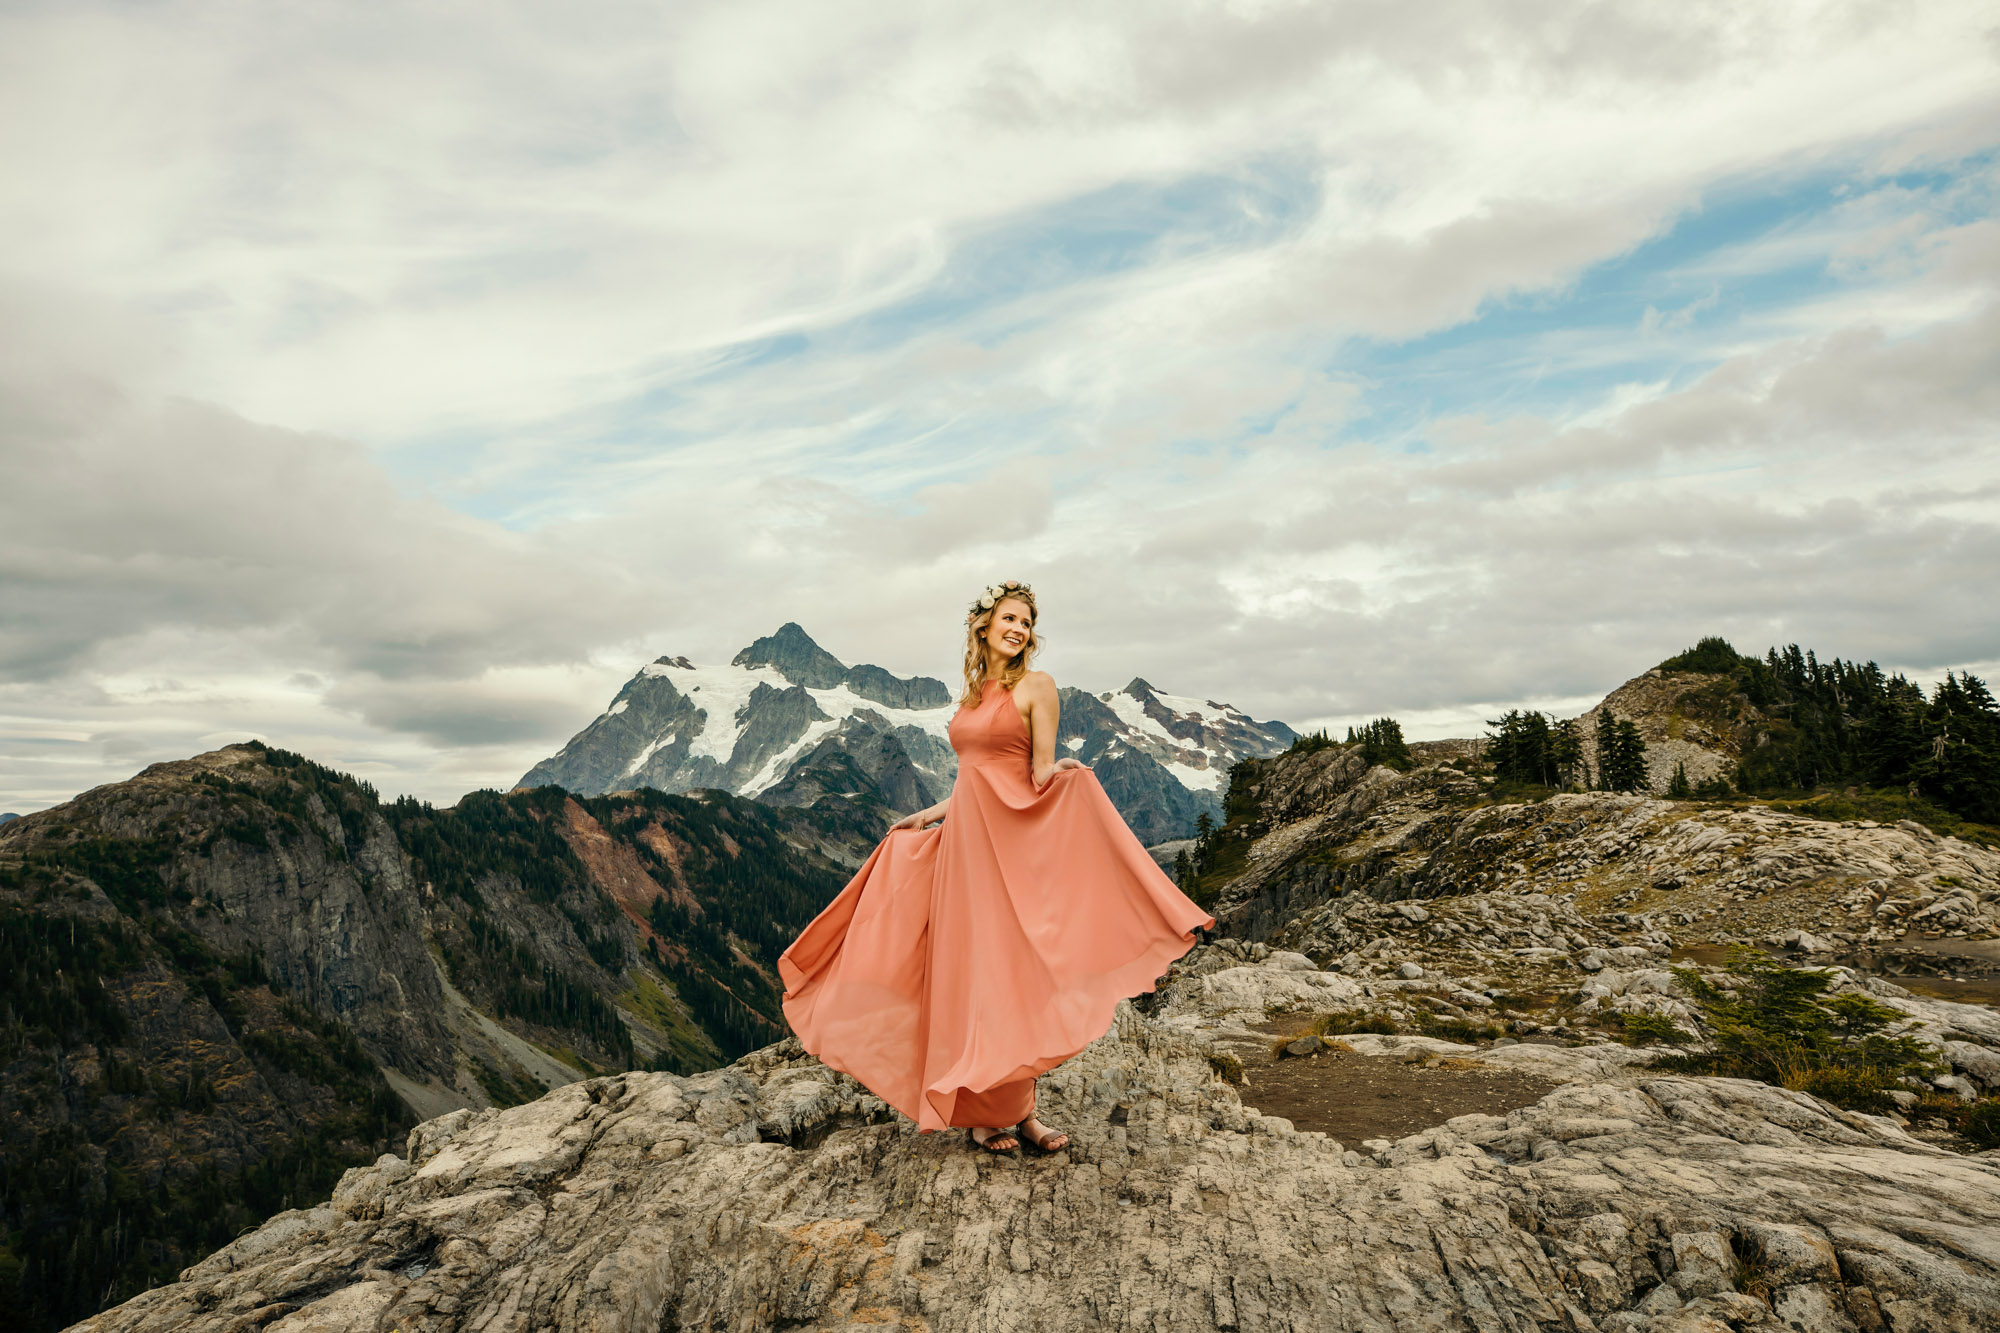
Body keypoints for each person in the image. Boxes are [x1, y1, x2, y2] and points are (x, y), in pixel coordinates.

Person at [778, 580, 1216, 1153]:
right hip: (964, 847)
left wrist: (1067, 776)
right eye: (1010, 618)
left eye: (1028, 622)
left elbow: (1032, 776)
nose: (1019, 629)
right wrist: (929, 815)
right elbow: (973, 779)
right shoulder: (972, 697)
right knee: (972, 975)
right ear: (984, 627)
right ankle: (983, 1116)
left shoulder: (1038, 687)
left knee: (1015, 975)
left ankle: (1021, 1111)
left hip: (1009, 847)